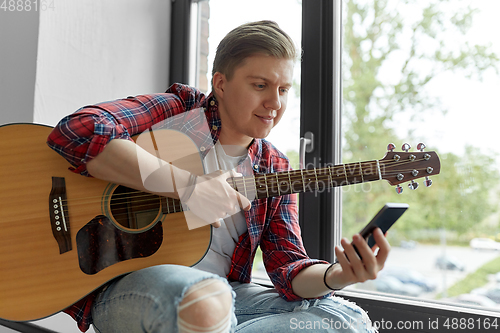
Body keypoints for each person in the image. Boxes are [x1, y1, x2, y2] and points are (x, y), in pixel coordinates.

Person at [47, 20, 390, 333]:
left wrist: (338, 275)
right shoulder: (178, 110)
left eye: (284, 89)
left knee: (346, 319)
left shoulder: (273, 167)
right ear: (221, 84)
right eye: (260, 85)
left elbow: (289, 268)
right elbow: (78, 131)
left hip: (228, 298)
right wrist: (188, 186)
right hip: (130, 288)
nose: (274, 103)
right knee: (206, 298)